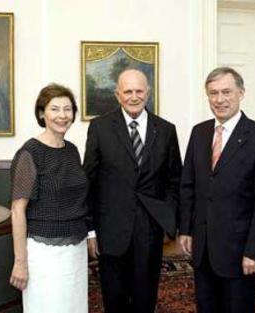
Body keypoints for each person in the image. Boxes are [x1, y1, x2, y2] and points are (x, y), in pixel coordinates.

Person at [179, 67, 255, 313]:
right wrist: (186, 230)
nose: (219, 99)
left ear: (241, 93)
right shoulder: (200, 132)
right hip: (203, 249)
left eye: (226, 92)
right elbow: (188, 185)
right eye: (213, 93)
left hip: (240, 251)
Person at [84, 68, 182, 313]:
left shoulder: (166, 130)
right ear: (118, 95)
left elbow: (174, 180)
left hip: (150, 230)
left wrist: (168, 221)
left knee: (145, 298)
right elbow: (90, 183)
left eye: (139, 91)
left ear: (148, 93)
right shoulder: (100, 128)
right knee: (114, 299)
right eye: (128, 91)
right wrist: (91, 231)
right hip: (111, 231)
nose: (134, 96)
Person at [9, 84, 88, 313]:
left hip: (76, 249)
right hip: (44, 254)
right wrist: (20, 262)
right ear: (42, 113)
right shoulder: (30, 153)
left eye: (67, 109)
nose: (62, 115)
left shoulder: (72, 150)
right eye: (55, 109)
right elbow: (17, 210)